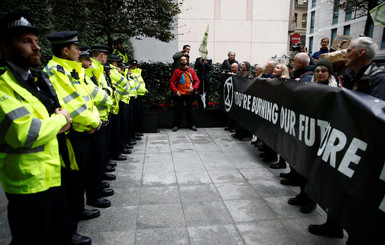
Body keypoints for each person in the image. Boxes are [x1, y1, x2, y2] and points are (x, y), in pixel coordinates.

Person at [0, 12, 90, 245]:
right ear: (5, 47)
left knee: (54, 234)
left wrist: (59, 118)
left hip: (52, 171)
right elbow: (27, 133)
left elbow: (57, 108)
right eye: (26, 41)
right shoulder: (4, 87)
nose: (36, 47)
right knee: (32, 237)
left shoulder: (38, 79)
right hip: (27, 183)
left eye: (36, 41)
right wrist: (60, 121)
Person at [309, 37, 385, 245]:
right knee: (338, 186)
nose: (345, 54)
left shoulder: (379, 79)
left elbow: (375, 115)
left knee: (358, 197)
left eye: (349, 51)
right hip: (345, 141)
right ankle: (333, 225)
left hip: (364, 149)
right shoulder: (348, 75)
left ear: (361, 53)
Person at [170, 55, 200, 131]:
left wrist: (193, 88)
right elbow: (172, 82)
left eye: (185, 59)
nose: (183, 61)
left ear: (187, 61)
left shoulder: (191, 71)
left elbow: (197, 81)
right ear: (180, 61)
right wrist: (176, 91)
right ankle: (176, 125)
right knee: (178, 110)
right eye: (182, 60)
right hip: (180, 94)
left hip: (189, 94)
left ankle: (192, 125)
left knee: (190, 110)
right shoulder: (177, 71)